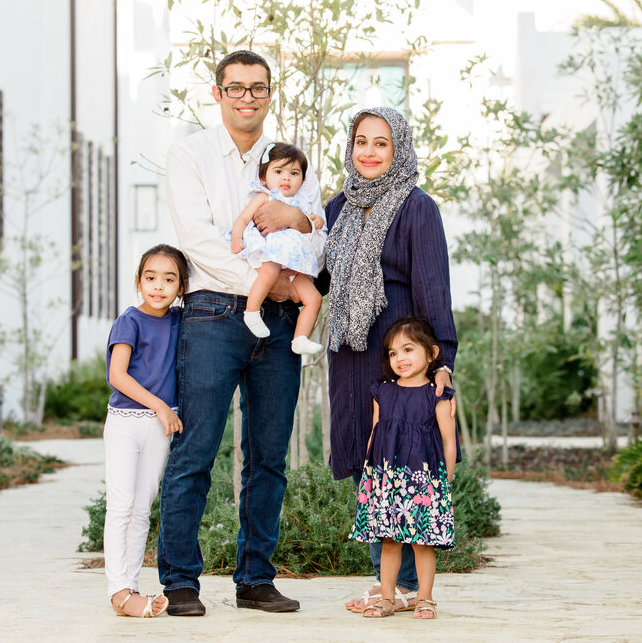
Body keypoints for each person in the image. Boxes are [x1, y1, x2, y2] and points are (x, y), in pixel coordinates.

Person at [158, 49, 324, 616]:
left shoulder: (291, 161)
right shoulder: (191, 154)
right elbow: (197, 237)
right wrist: (266, 280)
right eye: (237, 88)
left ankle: (255, 578)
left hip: (278, 323)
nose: (247, 97)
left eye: (258, 88)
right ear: (218, 93)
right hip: (212, 314)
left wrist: (298, 221)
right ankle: (180, 580)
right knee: (196, 449)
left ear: (270, 94)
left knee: (268, 455)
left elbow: (318, 236)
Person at [316, 105, 458, 615]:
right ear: (350, 147)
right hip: (352, 350)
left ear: (399, 148)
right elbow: (321, 280)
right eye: (361, 141)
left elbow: (433, 287)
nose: (370, 152)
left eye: (381, 142)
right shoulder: (338, 207)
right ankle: (387, 584)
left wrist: (442, 360)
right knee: (368, 456)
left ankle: (392, 589)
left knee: (406, 461)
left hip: (400, 352)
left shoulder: (418, 208)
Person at [103, 244, 189, 619]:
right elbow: (117, 375)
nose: (159, 286)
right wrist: (158, 405)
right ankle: (117, 591)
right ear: (138, 282)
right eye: (151, 278)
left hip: (159, 428)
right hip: (126, 423)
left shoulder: (178, 321)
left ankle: (132, 586)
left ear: (182, 287)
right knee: (121, 506)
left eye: (169, 279)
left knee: (141, 510)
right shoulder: (130, 321)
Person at [351, 316, 456, 620]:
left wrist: (444, 481)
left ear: (431, 353)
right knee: (389, 540)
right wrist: (371, 481)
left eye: (408, 350)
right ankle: (387, 597)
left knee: (423, 542)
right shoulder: (382, 392)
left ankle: (425, 598)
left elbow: (449, 442)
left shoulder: (436, 395)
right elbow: (375, 433)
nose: (400, 359)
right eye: (393, 353)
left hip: (424, 480)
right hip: (386, 479)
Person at [229, 141, 325, 355]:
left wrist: (315, 222)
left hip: (293, 263)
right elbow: (243, 219)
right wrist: (237, 238)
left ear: (302, 179)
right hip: (271, 252)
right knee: (269, 272)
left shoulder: (303, 200)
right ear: (264, 177)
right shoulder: (264, 197)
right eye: (279, 171)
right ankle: (252, 312)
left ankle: (300, 338)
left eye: (294, 173)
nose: (286, 177)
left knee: (314, 298)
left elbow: (313, 227)